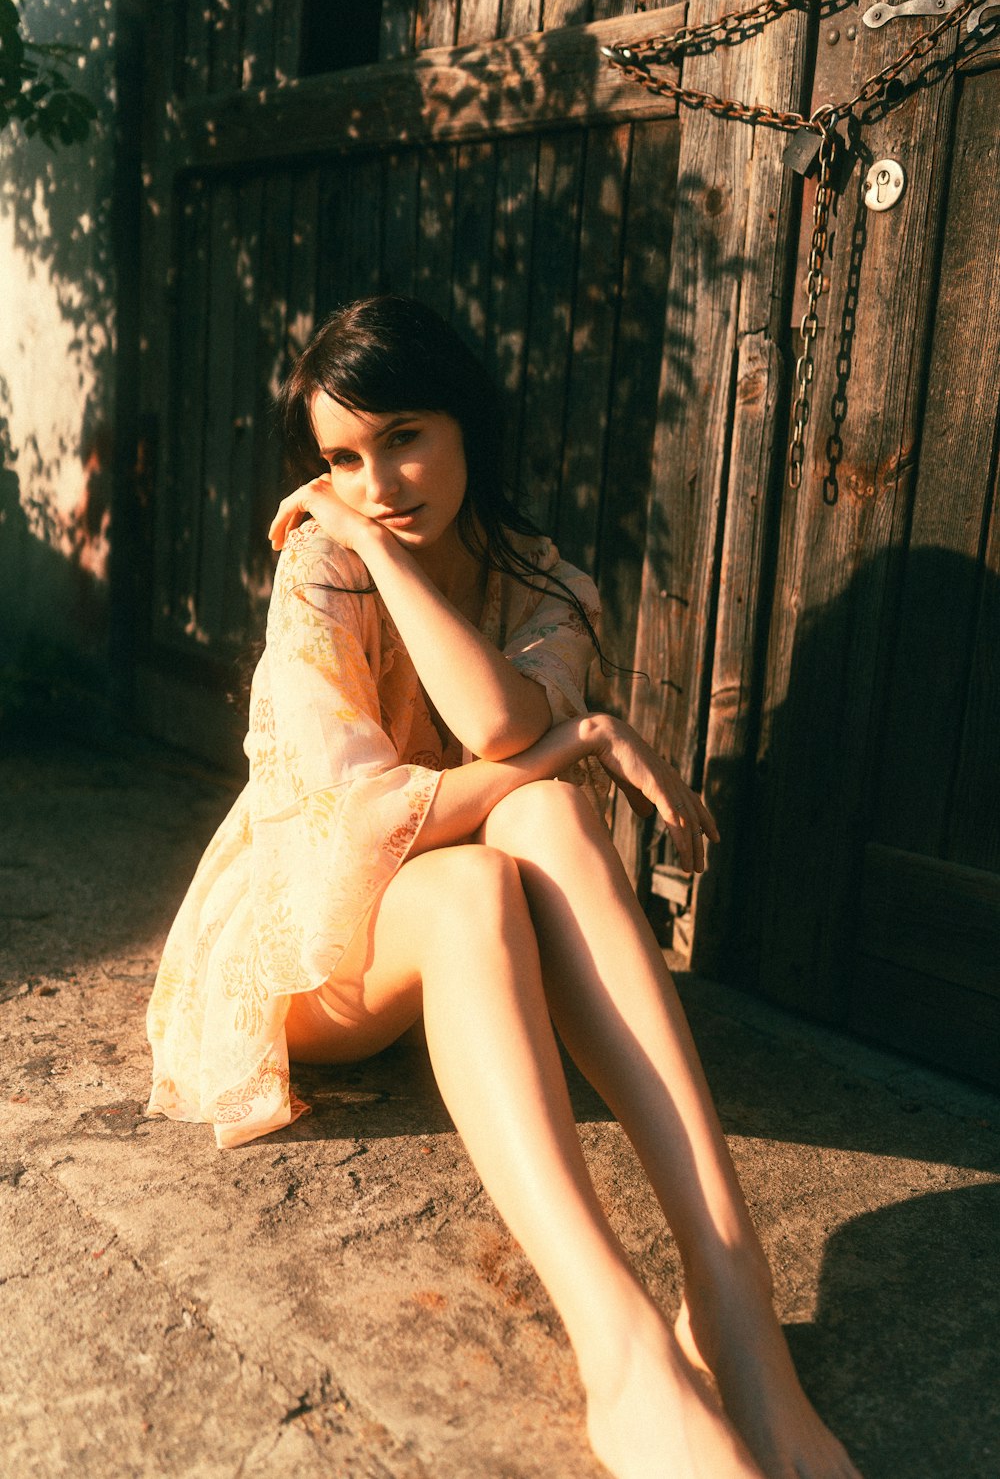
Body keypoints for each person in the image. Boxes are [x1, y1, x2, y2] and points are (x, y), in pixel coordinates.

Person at [145, 295, 860, 1479]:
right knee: (487, 860)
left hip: (455, 917)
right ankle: (623, 1350)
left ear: (469, 422)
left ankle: (731, 1293)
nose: (376, 481)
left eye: (405, 435)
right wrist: (574, 724)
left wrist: (561, 739)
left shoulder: (547, 583)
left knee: (532, 808)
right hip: (310, 950)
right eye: (340, 458)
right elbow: (357, 830)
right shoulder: (325, 567)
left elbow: (495, 724)